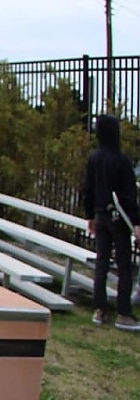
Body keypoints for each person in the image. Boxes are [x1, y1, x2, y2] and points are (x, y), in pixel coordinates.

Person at [83, 114, 140, 331]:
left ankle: (99, 309)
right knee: (124, 265)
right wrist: (136, 221)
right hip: (119, 217)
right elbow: (128, 194)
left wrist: (89, 215)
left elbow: (87, 188)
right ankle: (123, 313)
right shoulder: (121, 160)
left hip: (100, 215)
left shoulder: (94, 158)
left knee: (102, 262)